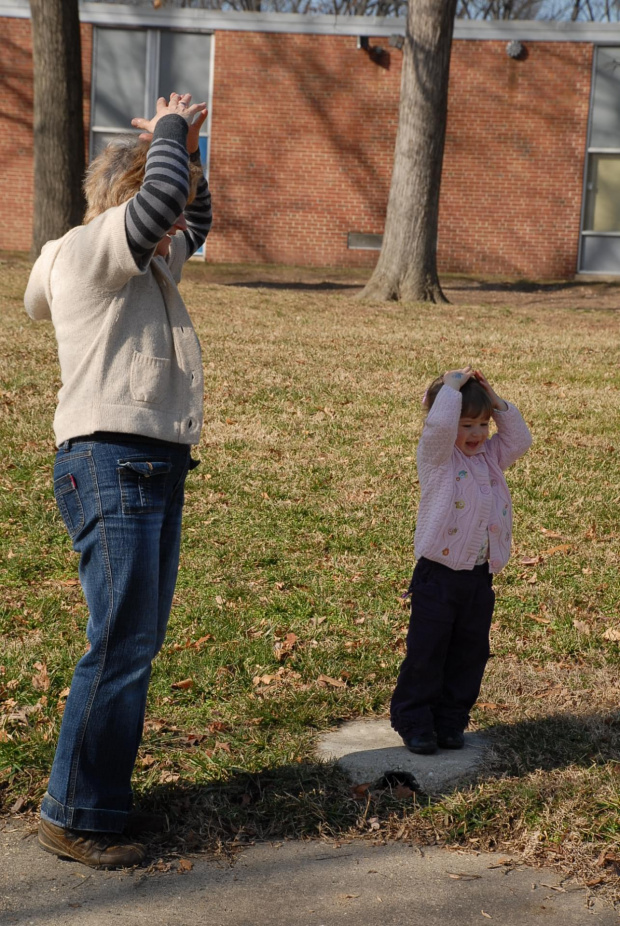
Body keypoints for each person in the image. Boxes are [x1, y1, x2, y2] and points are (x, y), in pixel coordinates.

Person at [24, 92, 212, 868]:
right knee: (119, 642)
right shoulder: (93, 248)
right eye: (162, 205)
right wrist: (169, 128)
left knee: (134, 638)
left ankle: (94, 795)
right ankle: (75, 813)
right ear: (132, 199)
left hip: (147, 461)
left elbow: (193, 220)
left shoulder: (144, 259)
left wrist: (188, 149)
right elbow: (165, 199)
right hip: (112, 459)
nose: (175, 225)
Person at [390, 367, 532, 755]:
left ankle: (451, 722)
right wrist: (449, 391)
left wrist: (498, 403)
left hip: (478, 577)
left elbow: (519, 440)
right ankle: (414, 720)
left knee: (470, 652)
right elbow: (436, 430)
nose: (476, 434)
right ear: (447, 421)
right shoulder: (437, 458)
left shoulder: (489, 455)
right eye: (466, 424)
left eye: (483, 424)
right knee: (427, 651)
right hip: (437, 577)